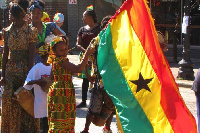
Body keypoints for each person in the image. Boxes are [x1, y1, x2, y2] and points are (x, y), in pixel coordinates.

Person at [0, 0, 40, 132]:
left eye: (11, 13)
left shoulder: (30, 31)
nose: (9, 16)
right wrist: (3, 74)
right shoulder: (6, 31)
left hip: (24, 70)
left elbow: (30, 57)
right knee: (10, 102)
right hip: (10, 71)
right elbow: (5, 54)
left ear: (16, 14)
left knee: (24, 101)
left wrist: (29, 76)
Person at [47, 36, 95, 132]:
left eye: (65, 49)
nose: (65, 52)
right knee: (62, 119)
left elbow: (53, 76)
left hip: (61, 91)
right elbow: (78, 69)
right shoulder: (61, 60)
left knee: (61, 118)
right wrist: (86, 55)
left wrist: (84, 64)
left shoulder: (56, 61)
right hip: (62, 93)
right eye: (61, 50)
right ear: (54, 52)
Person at [80, 15, 115, 133]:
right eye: (106, 25)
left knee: (109, 107)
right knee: (93, 108)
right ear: (102, 28)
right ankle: (86, 129)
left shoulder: (116, 42)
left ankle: (107, 128)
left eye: (110, 25)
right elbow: (86, 57)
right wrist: (87, 74)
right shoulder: (96, 41)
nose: (108, 27)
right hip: (98, 81)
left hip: (111, 81)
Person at [76, 8, 101, 108]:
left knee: (97, 78)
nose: (83, 19)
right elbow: (78, 44)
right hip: (85, 56)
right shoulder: (82, 29)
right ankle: (83, 100)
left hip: (96, 57)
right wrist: (86, 52)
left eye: (84, 17)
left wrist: (93, 52)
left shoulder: (99, 29)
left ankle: (96, 100)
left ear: (90, 17)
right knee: (85, 79)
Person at [23, 47, 51, 133]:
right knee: (45, 122)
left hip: (53, 100)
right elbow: (27, 83)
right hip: (42, 101)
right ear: (47, 55)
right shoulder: (37, 67)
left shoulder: (55, 66)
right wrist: (37, 82)